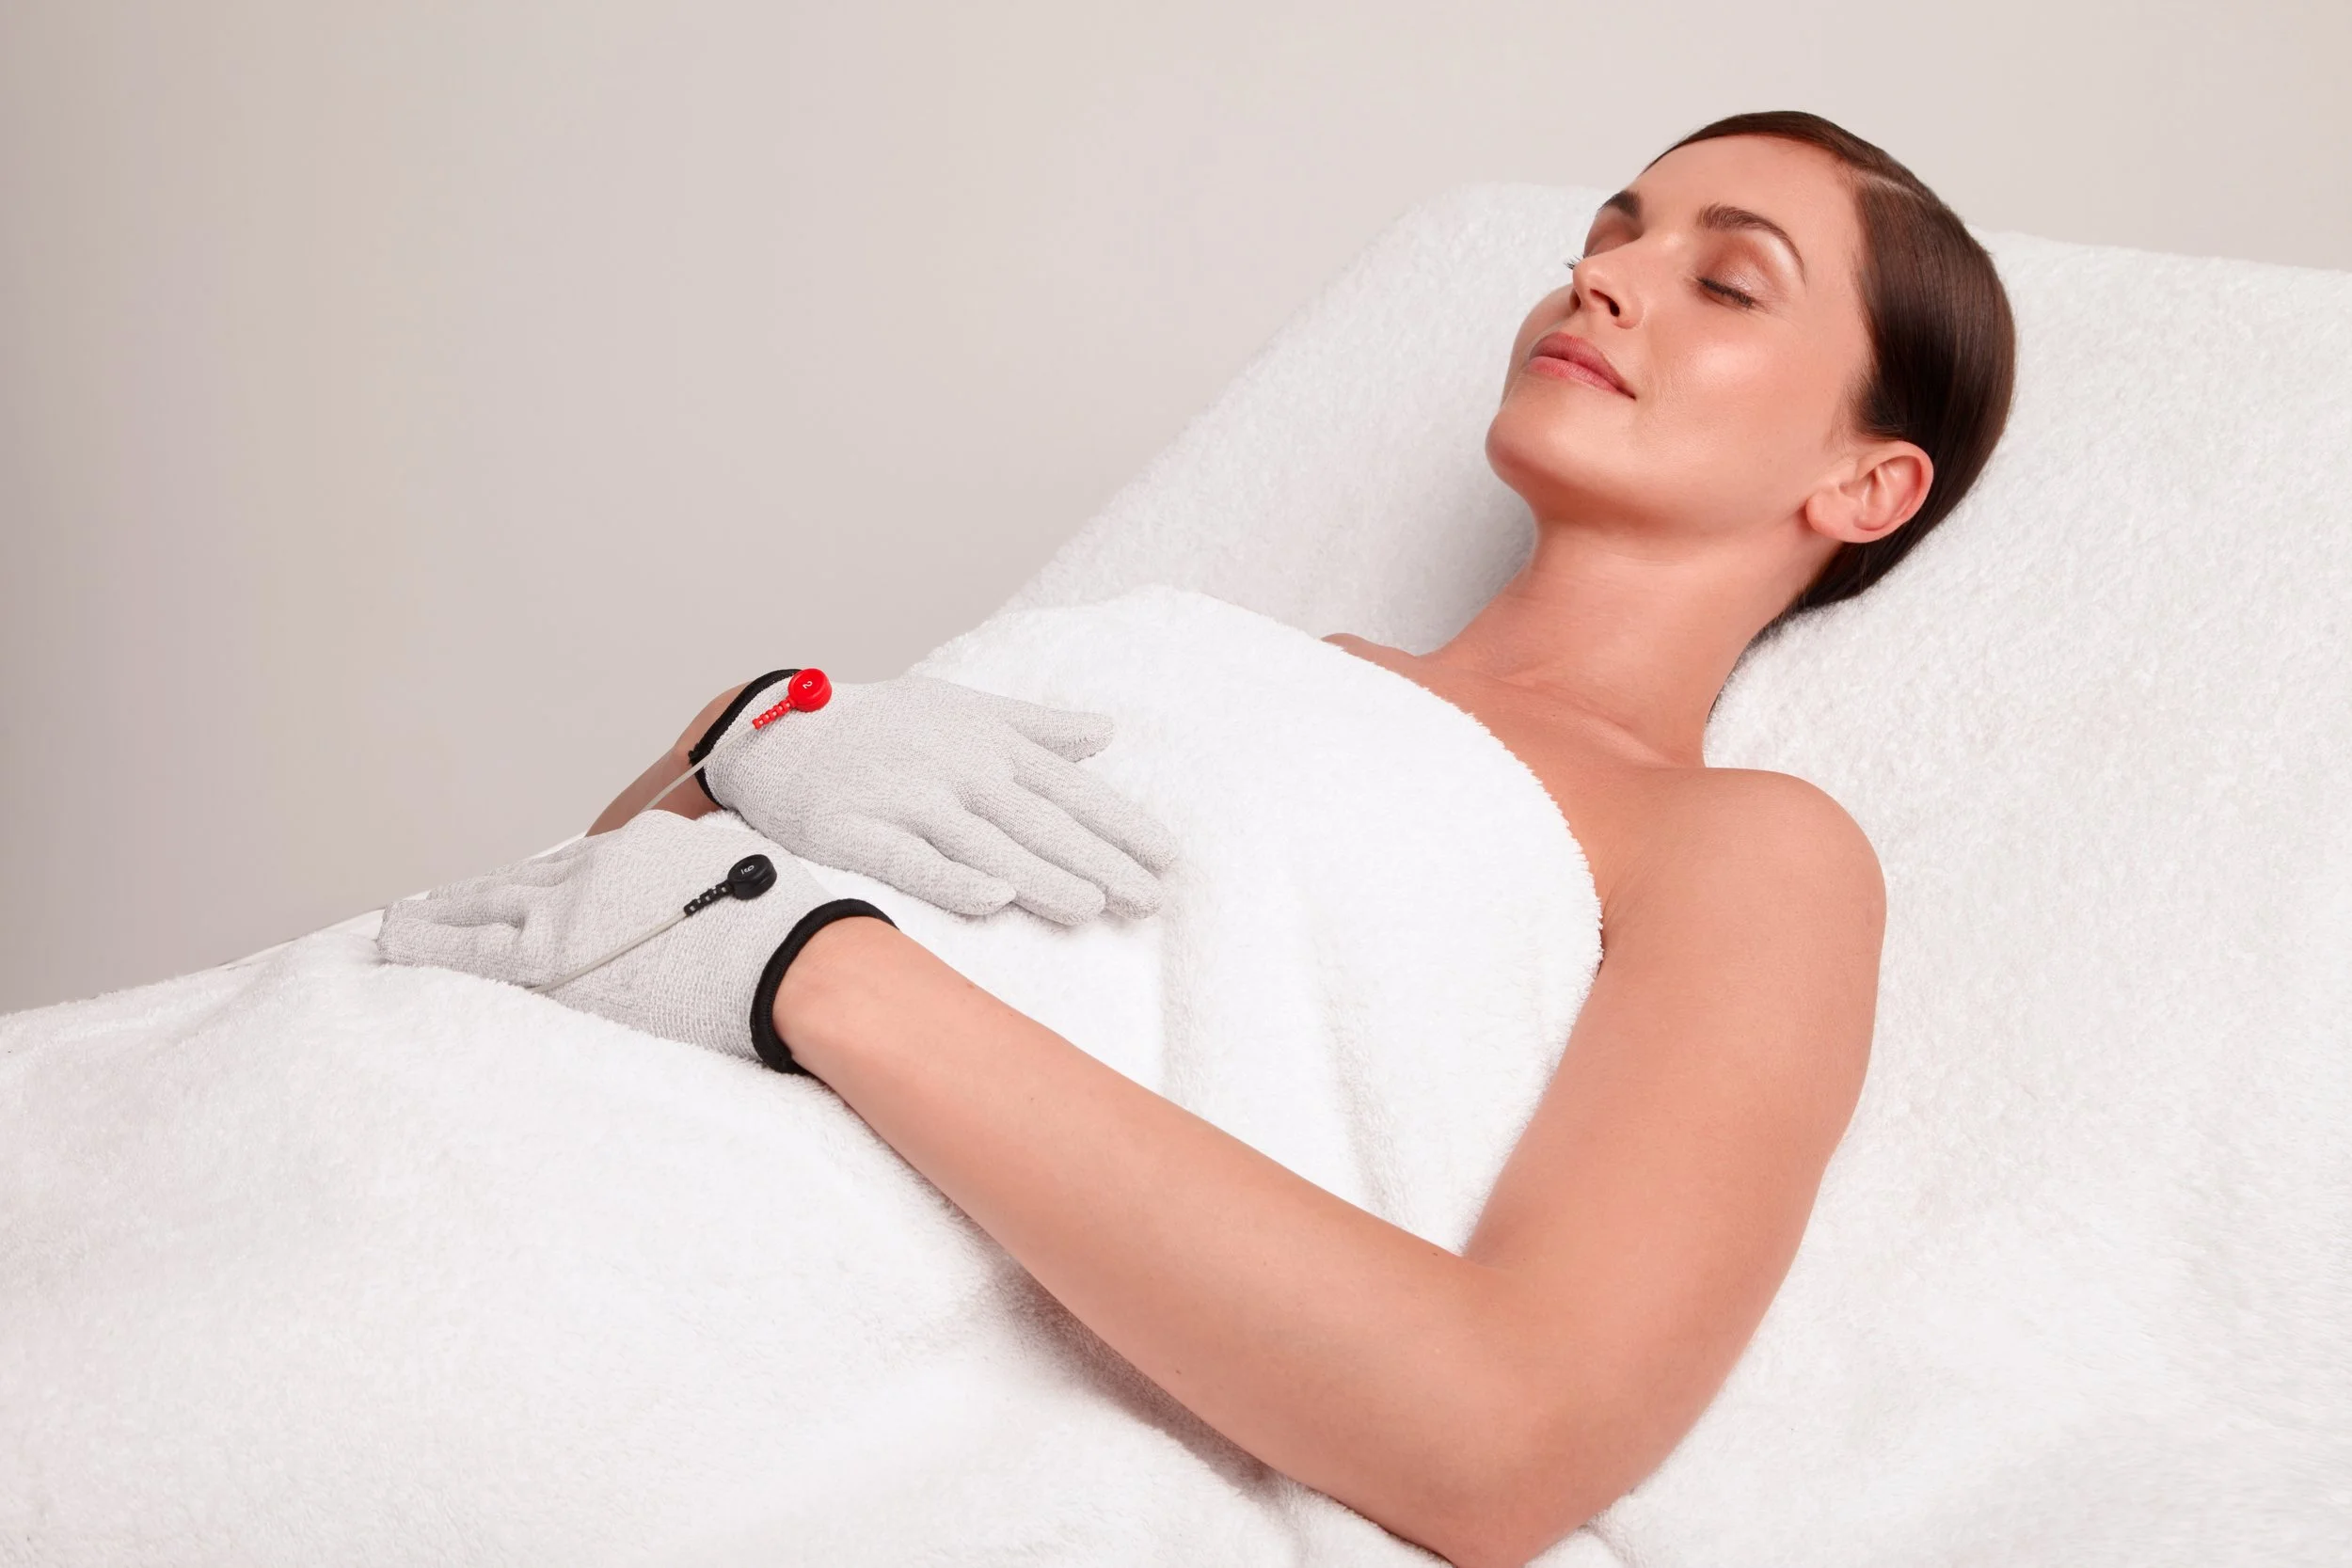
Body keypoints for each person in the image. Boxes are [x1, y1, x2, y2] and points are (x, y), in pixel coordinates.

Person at [383, 111, 2014, 1568]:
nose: (1601, 279)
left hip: (668, 1321)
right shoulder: (1185, 648)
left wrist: (819, 968)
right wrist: (754, 729)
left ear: (1868, 484)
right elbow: (585, 914)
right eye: (1607, 234)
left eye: (1725, 283)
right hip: (412, 1095)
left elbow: (1507, 1438)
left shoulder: (1744, 847)